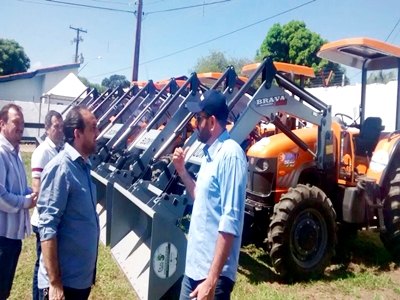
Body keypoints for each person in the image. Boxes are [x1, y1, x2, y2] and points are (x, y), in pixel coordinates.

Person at [173, 90, 247, 300]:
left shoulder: (230, 155)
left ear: (212, 122)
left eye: (199, 118)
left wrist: (212, 280)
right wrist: (181, 171)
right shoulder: (209, 154)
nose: (195, 123)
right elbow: (200, 197)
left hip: (212, 277)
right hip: (195, 269)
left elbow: (230, 220)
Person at [37, 106, 100, 300]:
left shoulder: (83, 166)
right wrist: (55, 282)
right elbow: (47, 227)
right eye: (93, 128)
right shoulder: (61, 169)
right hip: (63, 286)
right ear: (77, 133)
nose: (98, 133)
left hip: (79, 281)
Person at [0, 104, 37, 300]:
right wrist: (25, 202)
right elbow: (0, 196)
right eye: (16, 122)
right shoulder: (1, 152)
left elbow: (17, 189)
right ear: (2, 124)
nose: (21, 127)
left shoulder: (15, 152)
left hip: (11, 240)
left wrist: (30, 193)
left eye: (22, 123)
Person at [31, 110, 64, 300]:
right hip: (43, 220)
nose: (59, 130)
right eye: (55, 127)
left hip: (52, 218)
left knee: (45, 263)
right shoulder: (42, 152)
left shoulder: (58, 150)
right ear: (46, 128)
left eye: (61, 127)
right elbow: (38, 188)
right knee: (42, 265)